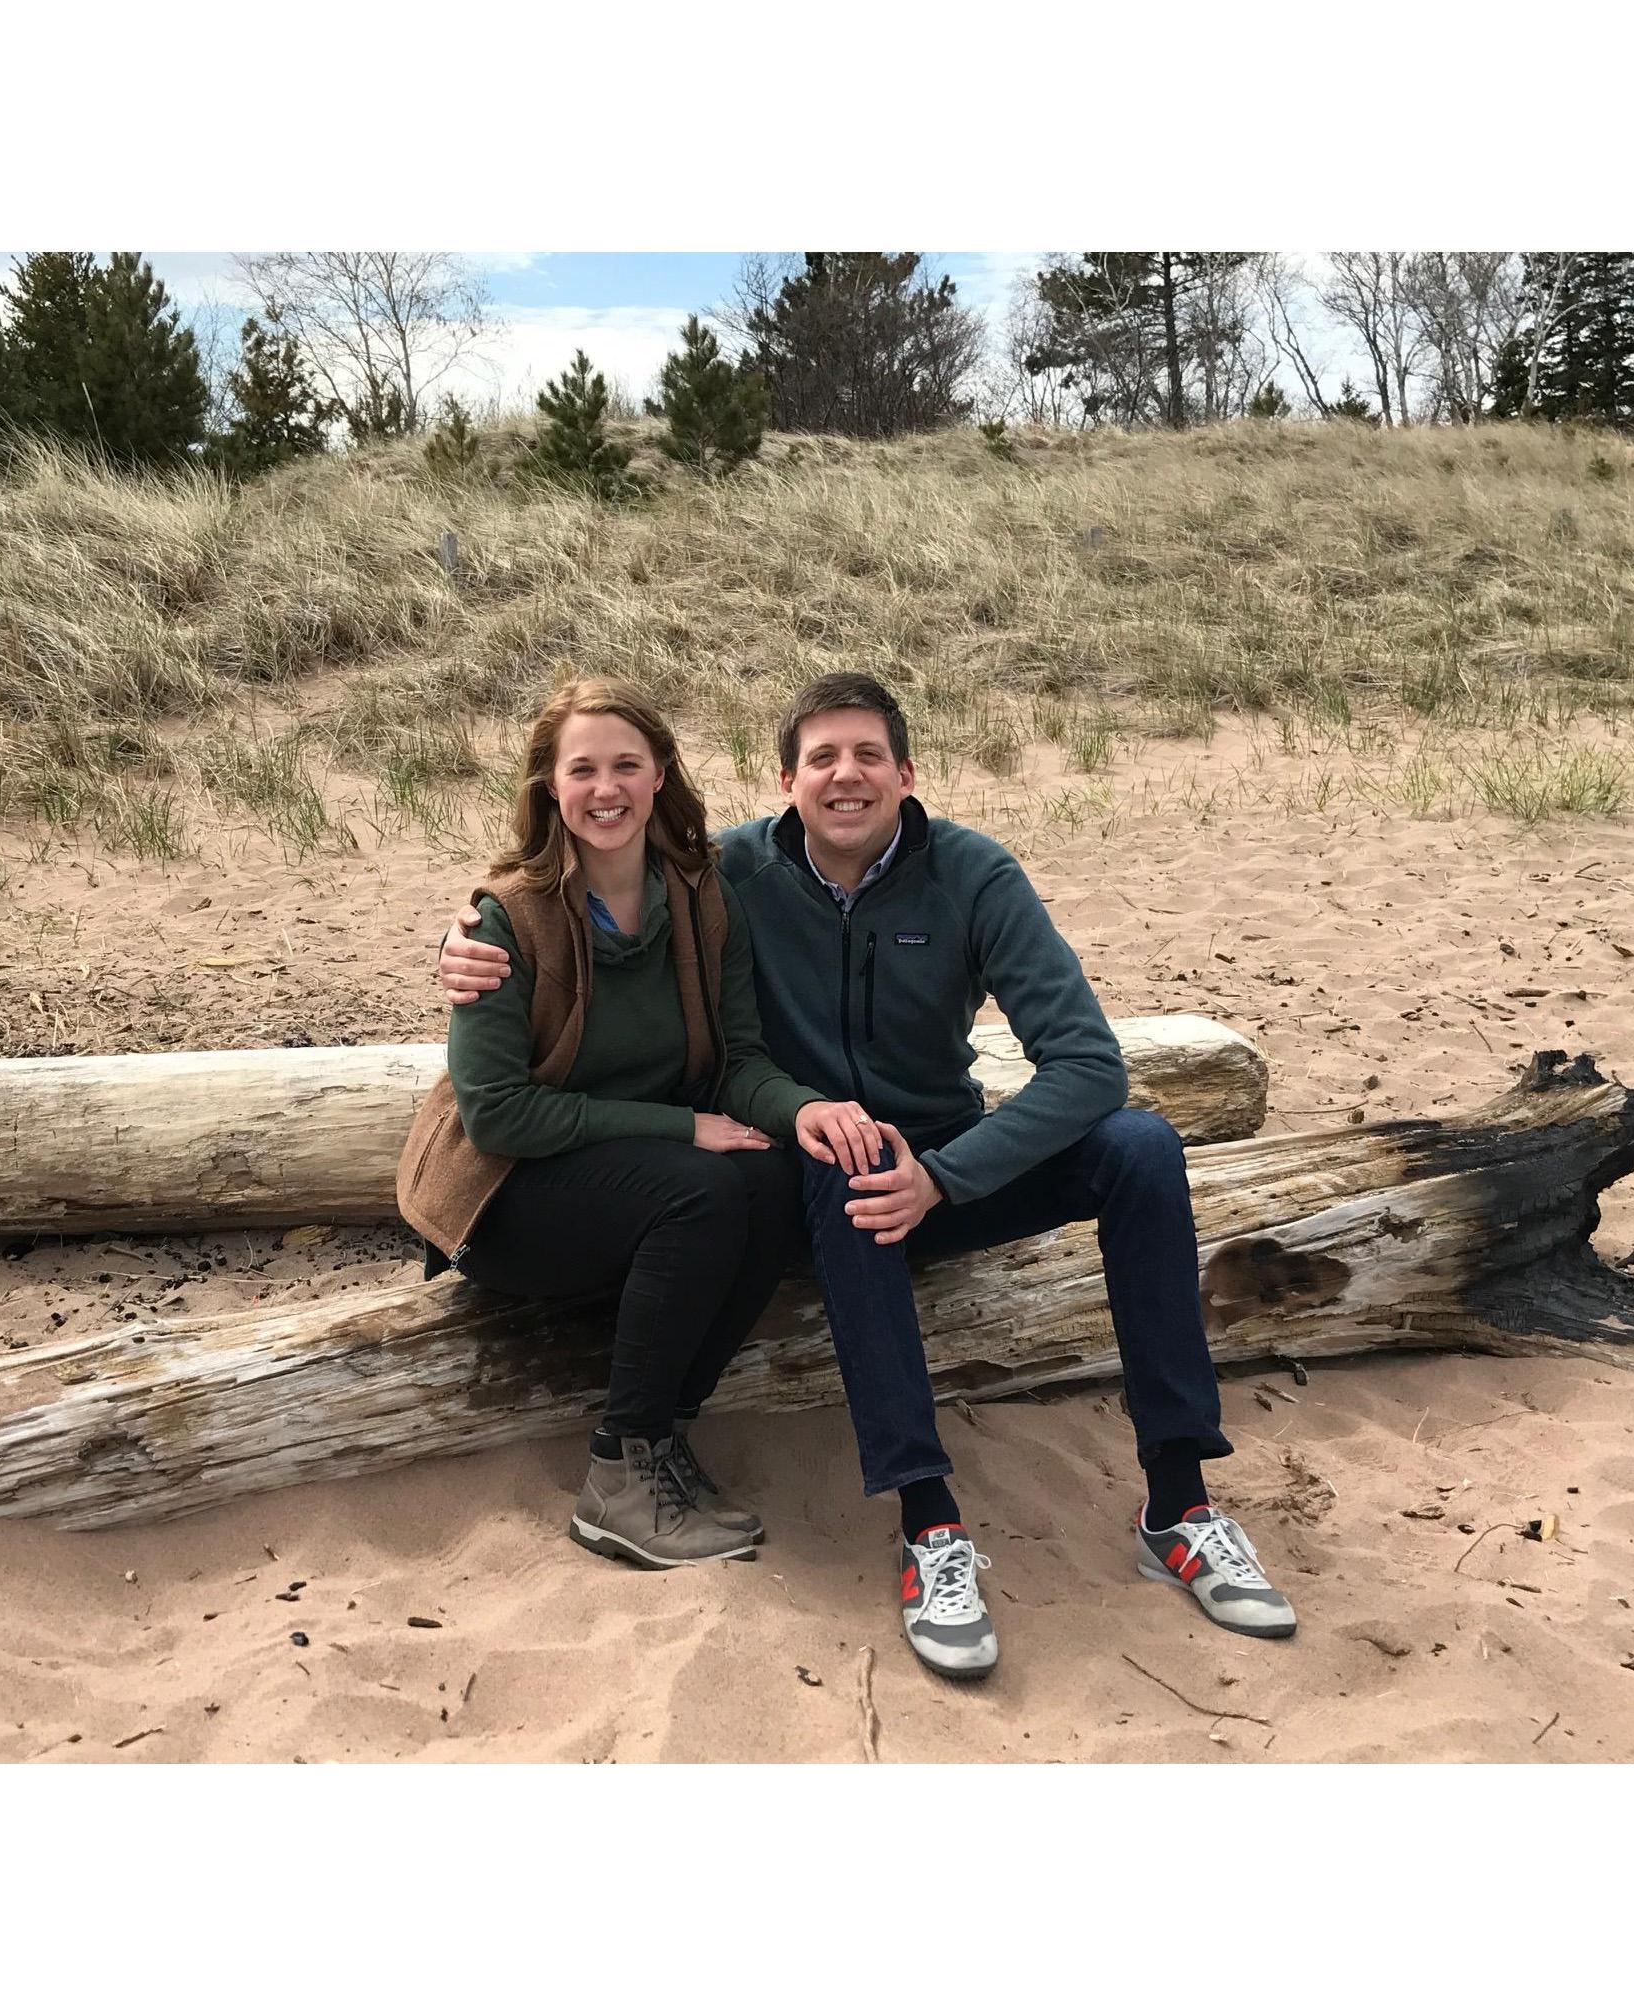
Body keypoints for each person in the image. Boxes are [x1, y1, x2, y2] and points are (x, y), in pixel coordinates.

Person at [438, 671, 1297, 1679]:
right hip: (812, 1170)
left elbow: (1090, 1066)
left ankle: (1181, 1503)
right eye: (822, 759)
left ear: (906, 774)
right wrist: (463, 940)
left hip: (950, 1164)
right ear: (788, 782)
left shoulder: (972, 875)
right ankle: (930, 1525)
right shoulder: (733, 874)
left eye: (868, 756)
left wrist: (949, 1176)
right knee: (850, 1164)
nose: (846, 776)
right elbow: (568, 885)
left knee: (1143, 1147)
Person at [398, 675, 885, 1572]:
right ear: (551, 785)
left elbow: (739, 1062)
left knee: (776, 1175)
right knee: (700, 1188)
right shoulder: (506, 917)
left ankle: (662, 1438)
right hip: (504, 1195)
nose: (606, 788)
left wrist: (806, 1110)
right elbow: (497, 1115)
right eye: (582, 769)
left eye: (627, 764)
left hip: (626, 1176)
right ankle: (617, 1478)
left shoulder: (700, 898)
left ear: (661, 773)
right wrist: (679, 1128)